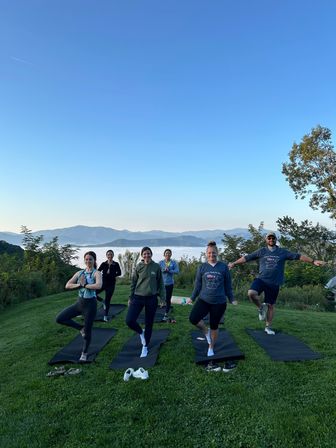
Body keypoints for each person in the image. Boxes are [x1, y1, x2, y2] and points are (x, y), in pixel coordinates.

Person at [228, 231, 325, 335]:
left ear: (275, 239)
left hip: (274, 283)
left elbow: (298, 256)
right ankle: (260, 308)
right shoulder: (262, 251)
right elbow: (247, 258)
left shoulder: (282, 252)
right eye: (269, 238)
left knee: (270, 306)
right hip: (261, 280)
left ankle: (268, 327)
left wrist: (313, 261)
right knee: (251, 293)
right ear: (266, 240)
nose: (271, 240)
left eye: (273, 238)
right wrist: (234, 263)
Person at [189, 241, 237, 370]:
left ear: (217, 253)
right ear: (206, 254)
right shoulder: (202, 267)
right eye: (209, 253)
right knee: (193, 318)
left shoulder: (223, 267)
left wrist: (231, 298)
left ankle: (211, 346)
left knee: (214, 325)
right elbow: (197, 285)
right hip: (204, 300)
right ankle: (206, 331)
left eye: (214, 253)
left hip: (219, 302)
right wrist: (192, 298)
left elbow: (228, 285)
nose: (211, 255)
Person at [56, 251, 102, 362]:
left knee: (88, 331)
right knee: (60, 318)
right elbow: (67, 285)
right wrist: (79, 285)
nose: (88, 261)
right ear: (84, 260)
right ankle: (79, 328)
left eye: (90, 259)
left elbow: (98, 285)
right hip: (79, 304)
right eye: (86, 259)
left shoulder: (97, 273)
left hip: (90, 305)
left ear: (94, 260)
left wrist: (85, 285)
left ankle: (84, 353)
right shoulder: (79, 273)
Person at [126, 246, 166, 358]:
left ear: (151, 254)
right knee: (129, 320)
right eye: (144, 254)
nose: (146, 255)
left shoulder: (156, 267)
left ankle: (145, 346)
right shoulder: (138, 267)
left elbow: (161, 284)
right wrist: (130, 297)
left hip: (151, 299)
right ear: (142, 255)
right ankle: (141, 332)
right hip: (137, 297)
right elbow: (133, 283)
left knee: (149, 323)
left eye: (148, 253)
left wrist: (162, 298)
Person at [97, 250, 122, 322]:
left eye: (111, 254)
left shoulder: (116, 264)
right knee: (93, 293)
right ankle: (102, 301)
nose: (109, 255)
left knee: (108, 299)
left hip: (111, 284)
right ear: (106, 256)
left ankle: (105, 316)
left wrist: (113, 275)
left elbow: (119, 273)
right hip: (103, 283)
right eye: (108, 254)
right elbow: (98, 271)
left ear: (113, 255)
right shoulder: (103, 264)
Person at [159, 249, 179, 320]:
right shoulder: (161, 262)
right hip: (161, 284)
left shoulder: (173, 263)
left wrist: (169, 271)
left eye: (169, 253)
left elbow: (177, 271)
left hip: (169, 284)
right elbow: (158, 271)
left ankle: (166, 314)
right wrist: (163, 270)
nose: (167, 255)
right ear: (164, 255)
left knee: (168, 299)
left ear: (171, 255)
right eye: (166, 253)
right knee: (158, 296)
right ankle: (160, 305)